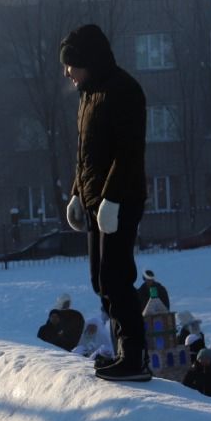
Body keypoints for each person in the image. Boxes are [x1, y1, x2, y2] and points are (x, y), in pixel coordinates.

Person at [60, 24, 149, 382]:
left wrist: (111, 199)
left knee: (116, 277)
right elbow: (86, 154)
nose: (68, 73)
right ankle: (123, 352)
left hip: (120, 200)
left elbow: (128, 153)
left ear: (88, 61)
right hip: (97, 201)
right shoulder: (88, 94)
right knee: (101, 280)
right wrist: (76, 194)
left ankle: (135, 358)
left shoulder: (124, 91)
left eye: (71, 65)